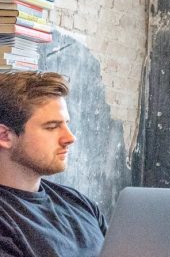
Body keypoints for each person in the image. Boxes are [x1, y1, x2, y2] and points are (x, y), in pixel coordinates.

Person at [0, 71, 107, 257]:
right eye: (51, 127)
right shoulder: (5, 221)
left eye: (66, 124)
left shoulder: (80, 203)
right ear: (4, 136)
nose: (70, 138)